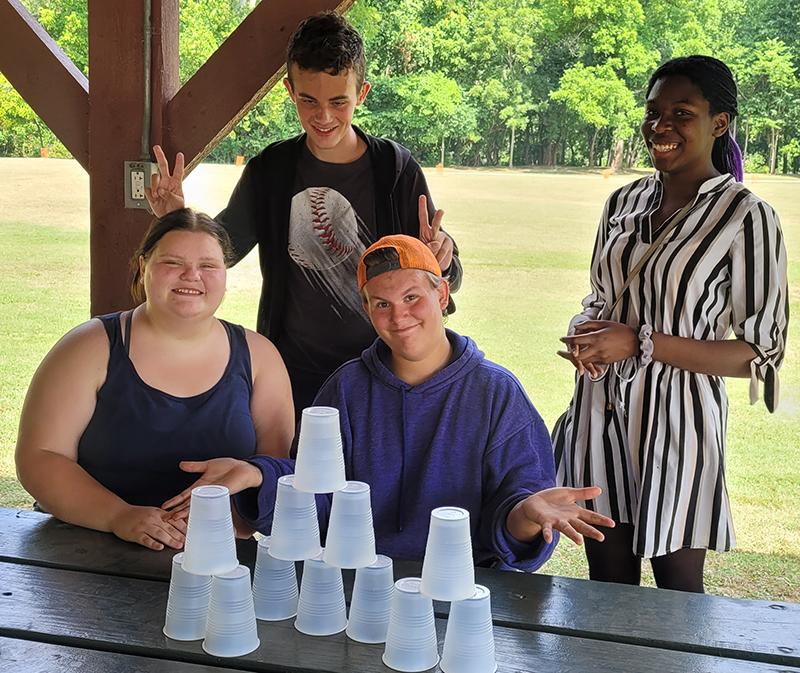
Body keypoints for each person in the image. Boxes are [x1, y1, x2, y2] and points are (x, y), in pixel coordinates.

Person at [163, 235, 613, 571]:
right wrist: (259, 474)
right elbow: (317, 489)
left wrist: (526, 514)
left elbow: (515, 512)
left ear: (442, 295)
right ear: (366, 309)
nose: (398, 316)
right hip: (351, 582)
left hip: (458, 589)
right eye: (382, 303)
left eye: (413, 297)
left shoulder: (497, 393)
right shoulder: (346, 389)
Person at [145, 11, 463, 415]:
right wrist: (176, 217)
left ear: (361, 93)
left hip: (382, 372)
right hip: (292, 375)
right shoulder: (271, 171)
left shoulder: (395, 171)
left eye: (338, 102)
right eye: (308, 100)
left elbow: (443, 273)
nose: (323, 116)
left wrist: (445, 258)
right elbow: (219, 251)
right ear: (289, 90)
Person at [552, 56, 788, 592]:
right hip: (600, 417)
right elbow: (603, 296)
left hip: (678, 427)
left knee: (679, 597)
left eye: (682, 113)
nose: (660, 127)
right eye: (653, 112)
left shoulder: (746, 217)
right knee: (606, 590)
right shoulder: (625, 200)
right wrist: (587, 331)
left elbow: (759, 352)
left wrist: (640, 342)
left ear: (719, 123)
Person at [15, 209, 294, 551]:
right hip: (88, 549)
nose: (192, 275)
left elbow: (275, 469)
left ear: (225, 274)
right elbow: (41, 456)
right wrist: (119, 516)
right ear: (143, 266)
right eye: (172, 263)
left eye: (208, 266)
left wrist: (234, 515)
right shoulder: (89, 347)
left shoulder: (260, 356)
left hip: (214, 553)